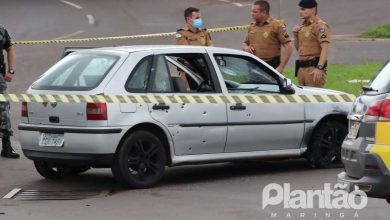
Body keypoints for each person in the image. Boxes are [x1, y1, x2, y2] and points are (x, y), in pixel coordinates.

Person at [242, 0, 292, 73]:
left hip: (271, 66)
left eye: (255, 12)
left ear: (264, 12)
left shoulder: (278, 25)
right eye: (251, 11)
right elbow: (245, 43)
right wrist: (246, 48)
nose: (252, 14)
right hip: (253, 65)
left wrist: (281, 67)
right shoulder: (252, 26)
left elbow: (288, 47)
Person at [292, 0, 331, 88]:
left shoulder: (320, 26)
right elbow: (299, 49)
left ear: (313, 9)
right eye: (299, 9)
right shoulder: (302, 27)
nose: (300, 12)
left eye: (303, 9)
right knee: (303, 98)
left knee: (315, 98)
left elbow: (325, 48)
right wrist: (295, 35)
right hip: (301, 68)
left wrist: (319, 67)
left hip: (313, 68)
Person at [0, 25, 18, 158]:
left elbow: (10, 48)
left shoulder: (1, 29)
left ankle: (6, 146)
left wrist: (11, 70)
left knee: (3, 109)